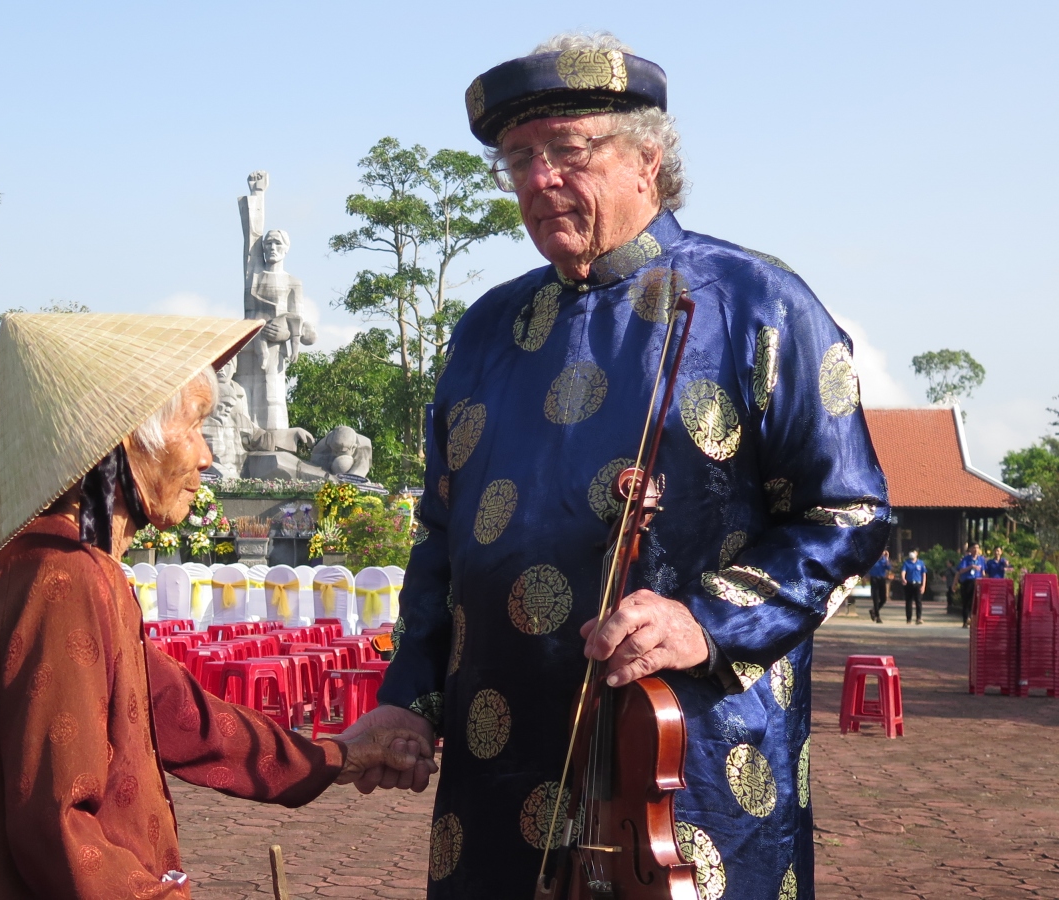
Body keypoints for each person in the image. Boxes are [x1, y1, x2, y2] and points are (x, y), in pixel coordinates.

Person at [345, 32, 890, 899]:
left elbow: (849, 513)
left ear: (650, 156)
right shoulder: (484, 331)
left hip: (689, 771)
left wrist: (705, 621)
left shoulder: (759, 304)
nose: (537, 180)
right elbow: (442, 539)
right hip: (499, 766)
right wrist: (409, 695)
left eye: (567, 151)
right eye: (518, 160)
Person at [0, 313, 433, 899]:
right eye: (194, 427)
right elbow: (58, 826)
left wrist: (338, 755)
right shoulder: (63, 579)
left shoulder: (68, 570)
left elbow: (186, 718)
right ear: (125, 444)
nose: (205, 457)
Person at [958, 542, 986, 626]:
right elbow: (961, 570)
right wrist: (971, 566)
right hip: (968, 582)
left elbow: (983, 571)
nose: (976, 549)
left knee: (976, 602)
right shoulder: (966, 559)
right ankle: (965, 620)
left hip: (978, 582)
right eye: (974, 548)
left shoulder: (981, 559)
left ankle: (974, 620)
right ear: (970, 549)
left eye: (977, 548)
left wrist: (985, 580)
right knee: (966, 601)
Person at [901, 549, 928, 624]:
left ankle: (918, 618)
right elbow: (903, 571)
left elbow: (924, 575)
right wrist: (903, 578)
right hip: (909, 584)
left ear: (917, 553)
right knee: (908, 602)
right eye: (911, 552)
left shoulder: (921, 563)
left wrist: (923, 585)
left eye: (913, 552)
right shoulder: (906, 563)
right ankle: (908, 619)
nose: (912, 553)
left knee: (918, 601)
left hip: (918, 584)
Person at [869, 550, 893, 623]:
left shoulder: (884, 560)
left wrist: (887, 558)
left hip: (882, 579)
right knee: (875, 599)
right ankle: (877, 616)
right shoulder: (873, 559)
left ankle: (873, 611)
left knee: (883, 599)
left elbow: (889, 568)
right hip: (874, 579)